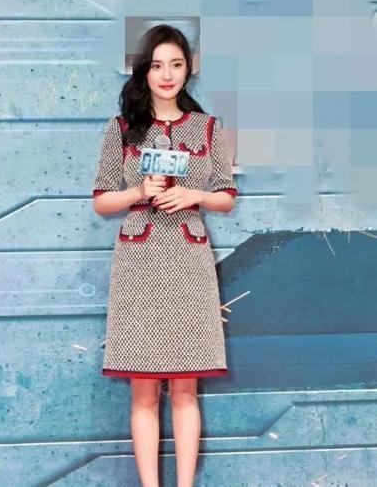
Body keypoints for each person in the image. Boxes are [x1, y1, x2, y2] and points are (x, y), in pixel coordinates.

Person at [92, 24, 237, 487]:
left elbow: (226, 195)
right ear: (143, 71)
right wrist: (138, 191)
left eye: (176, 64)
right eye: (157, 65)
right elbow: (102, 201)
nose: (167, 74)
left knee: (186, 390)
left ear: (188, 69)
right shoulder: (120, 129)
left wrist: (195, 195)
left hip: (189, 260)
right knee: (144, 392)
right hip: (139, 262)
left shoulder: (208, 127)